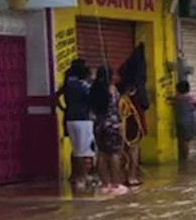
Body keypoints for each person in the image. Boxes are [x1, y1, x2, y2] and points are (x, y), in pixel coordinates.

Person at [88, 67, 127, 195]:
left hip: (98, 125)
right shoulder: (112, 90)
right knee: (114, 153)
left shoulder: (93, 89)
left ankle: (105, 185)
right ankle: (115, 184)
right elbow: (117, 108)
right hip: (112, 125)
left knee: (102, 154)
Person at [57, 59, 94, 189]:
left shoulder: (68, 84)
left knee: (76, 149)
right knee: (84, 151)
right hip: (84, 119)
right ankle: (82, 178)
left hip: (70, 118)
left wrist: (64, 108)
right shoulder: (84, 85)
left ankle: (75, 176)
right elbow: (92, 100)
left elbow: (56, 96)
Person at [118, 81, 146, 186]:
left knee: (126, 153)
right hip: (130, 131)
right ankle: (131, 177)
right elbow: (123, 119)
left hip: (129, 130)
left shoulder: (123, 100)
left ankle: (125, 177)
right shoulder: (126, 101)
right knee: (132, 152)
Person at [173, 80, 196, 164]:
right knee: (186, 141)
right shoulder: (190, 98)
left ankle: (180, 158)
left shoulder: (176, 98)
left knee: (180, 141)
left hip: (178, 121)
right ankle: (185, 159)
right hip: (188, 122)